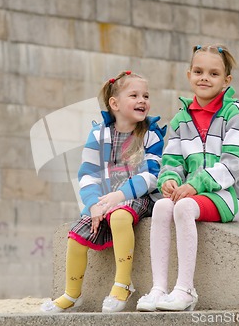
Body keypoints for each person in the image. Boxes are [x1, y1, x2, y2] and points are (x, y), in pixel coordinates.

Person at [136, 44, 239, 312]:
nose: (205, 77)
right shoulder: (182, 118)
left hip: (227, 196)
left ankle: (185, 289)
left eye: (214, 74)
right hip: (191, 192)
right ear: (189, 74)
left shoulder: (237, 113)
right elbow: (172, 160)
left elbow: (238, 161)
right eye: (199, 71)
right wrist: (169, 179)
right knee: (161, 205)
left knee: (184, 206)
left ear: (226, 80)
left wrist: (196, 184)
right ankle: (158, 288)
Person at [41, 71, 166, 313]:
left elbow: (153, 173)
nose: (143, 100)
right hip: (105, 203)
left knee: (119, 215)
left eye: (146, 95)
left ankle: (122, 284)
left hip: (140, 199)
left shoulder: (150, 133)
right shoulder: (99, 134)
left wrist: (120, 196)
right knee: (77, 233)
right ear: (115, 103)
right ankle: (72, 294)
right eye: (134, 95)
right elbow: (87, 174)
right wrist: (93, 205)